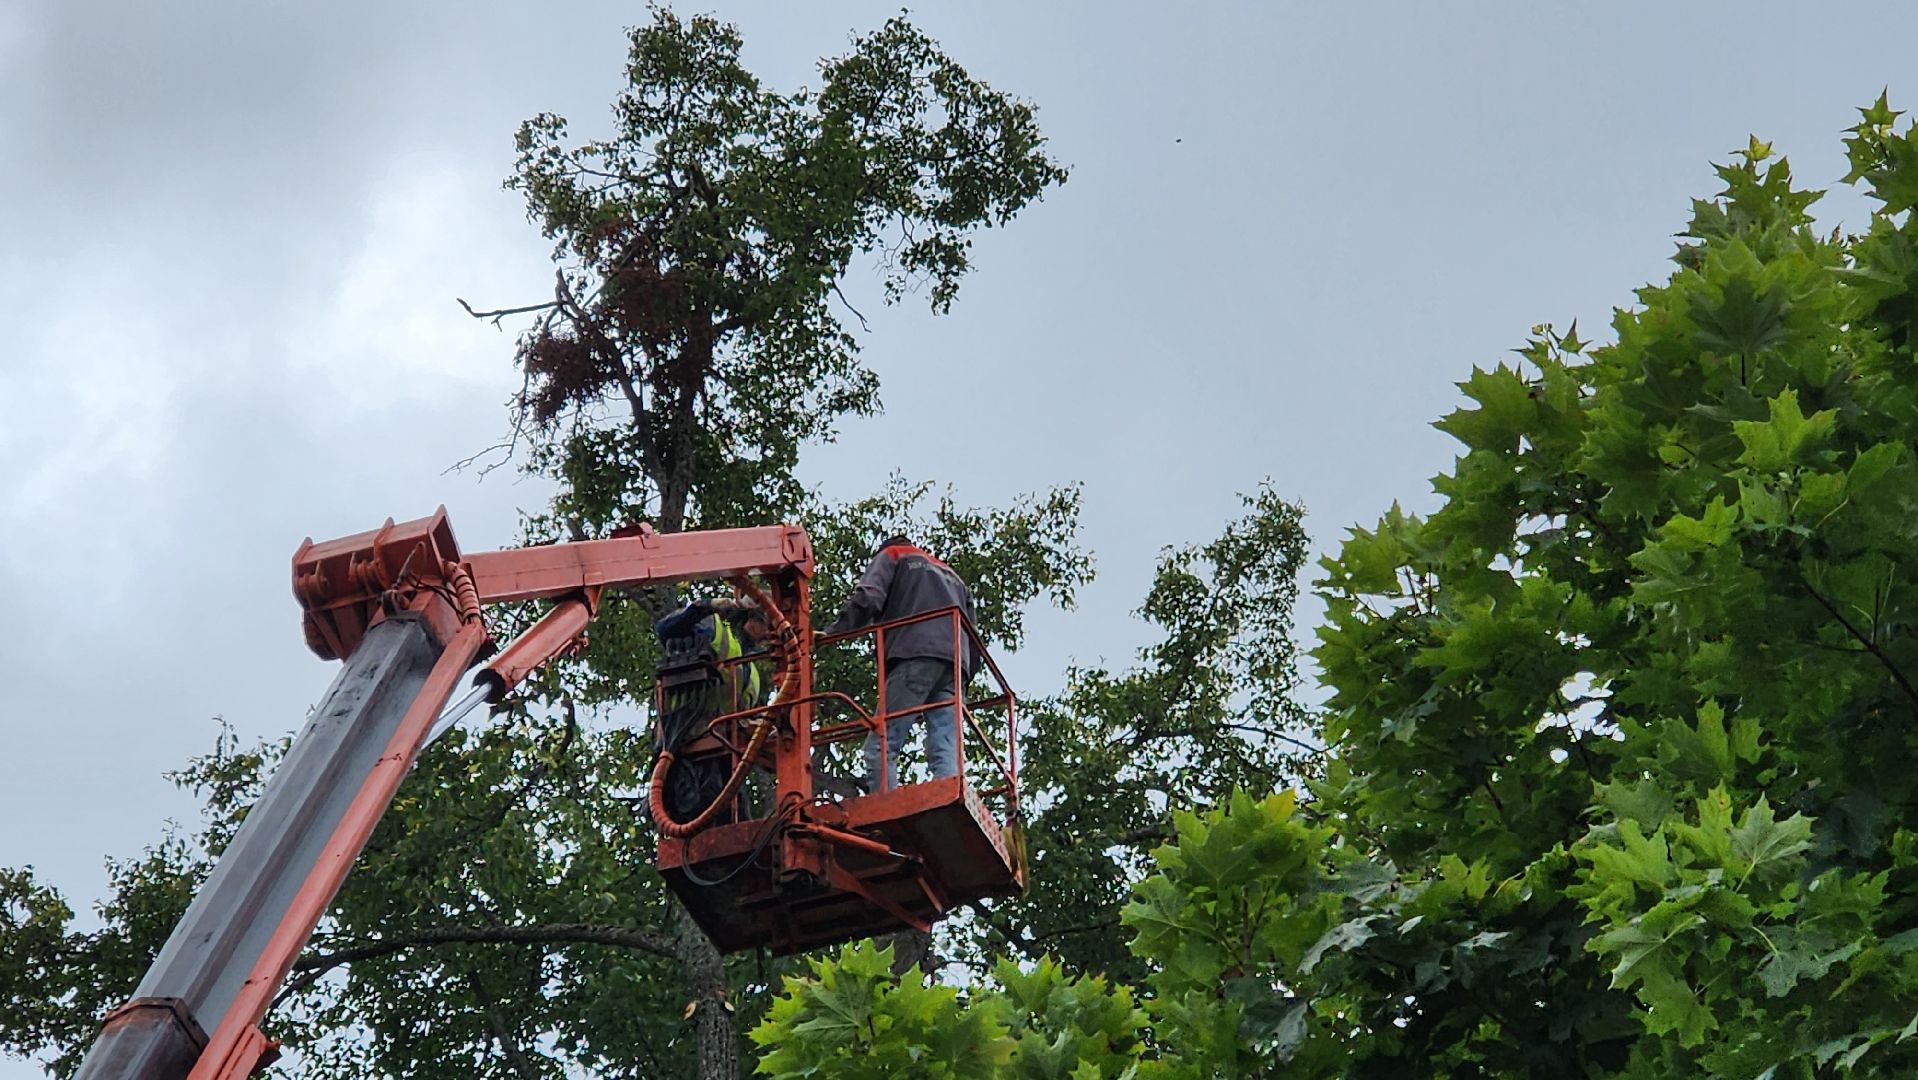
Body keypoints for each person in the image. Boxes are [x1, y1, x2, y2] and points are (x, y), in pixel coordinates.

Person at [822, 534, 980, 790]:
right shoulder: (953, 576)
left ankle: (887, 810)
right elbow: (973, 638)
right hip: (955, 665)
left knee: (880, 745)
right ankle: (950, 793)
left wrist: (832, 633)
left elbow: (868, 599)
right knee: (945, 745)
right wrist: (965, 677)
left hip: (914, 653)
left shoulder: (892, 555)